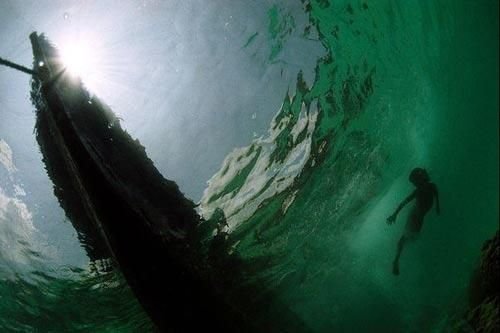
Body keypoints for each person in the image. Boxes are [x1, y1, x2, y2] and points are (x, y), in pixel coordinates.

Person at [387, 168, 440, 275]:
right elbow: (404, 203)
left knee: (411, 238)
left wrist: (438, 206)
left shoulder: (431, 186)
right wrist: (394, 214)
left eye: (415, 182)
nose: (415, 185)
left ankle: (398, 256)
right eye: (414, 183)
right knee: (405, 238)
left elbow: (436, 194)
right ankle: (396, 260)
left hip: (419, 218)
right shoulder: (418, 191)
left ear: (421, 179)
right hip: (414, 216)